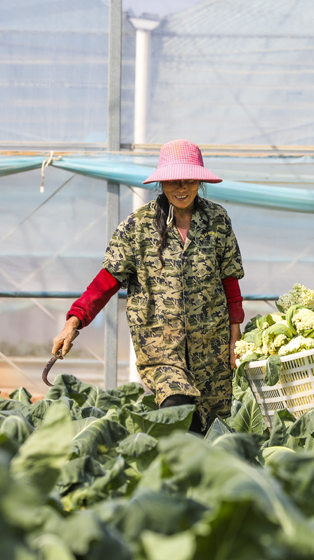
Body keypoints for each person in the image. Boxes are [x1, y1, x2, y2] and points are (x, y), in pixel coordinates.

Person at [51, 139, 244, 433]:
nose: (181, 188)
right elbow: (108, 279)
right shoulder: (138, 226)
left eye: (189, 180)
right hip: (161, 347)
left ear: (199, 181)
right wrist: (74, 321)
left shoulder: (217, 220)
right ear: (161, 183)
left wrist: (235, 335)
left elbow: (229, 280)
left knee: (216, 427)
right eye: (172, 181)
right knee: (178, 410)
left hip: (212, 348)